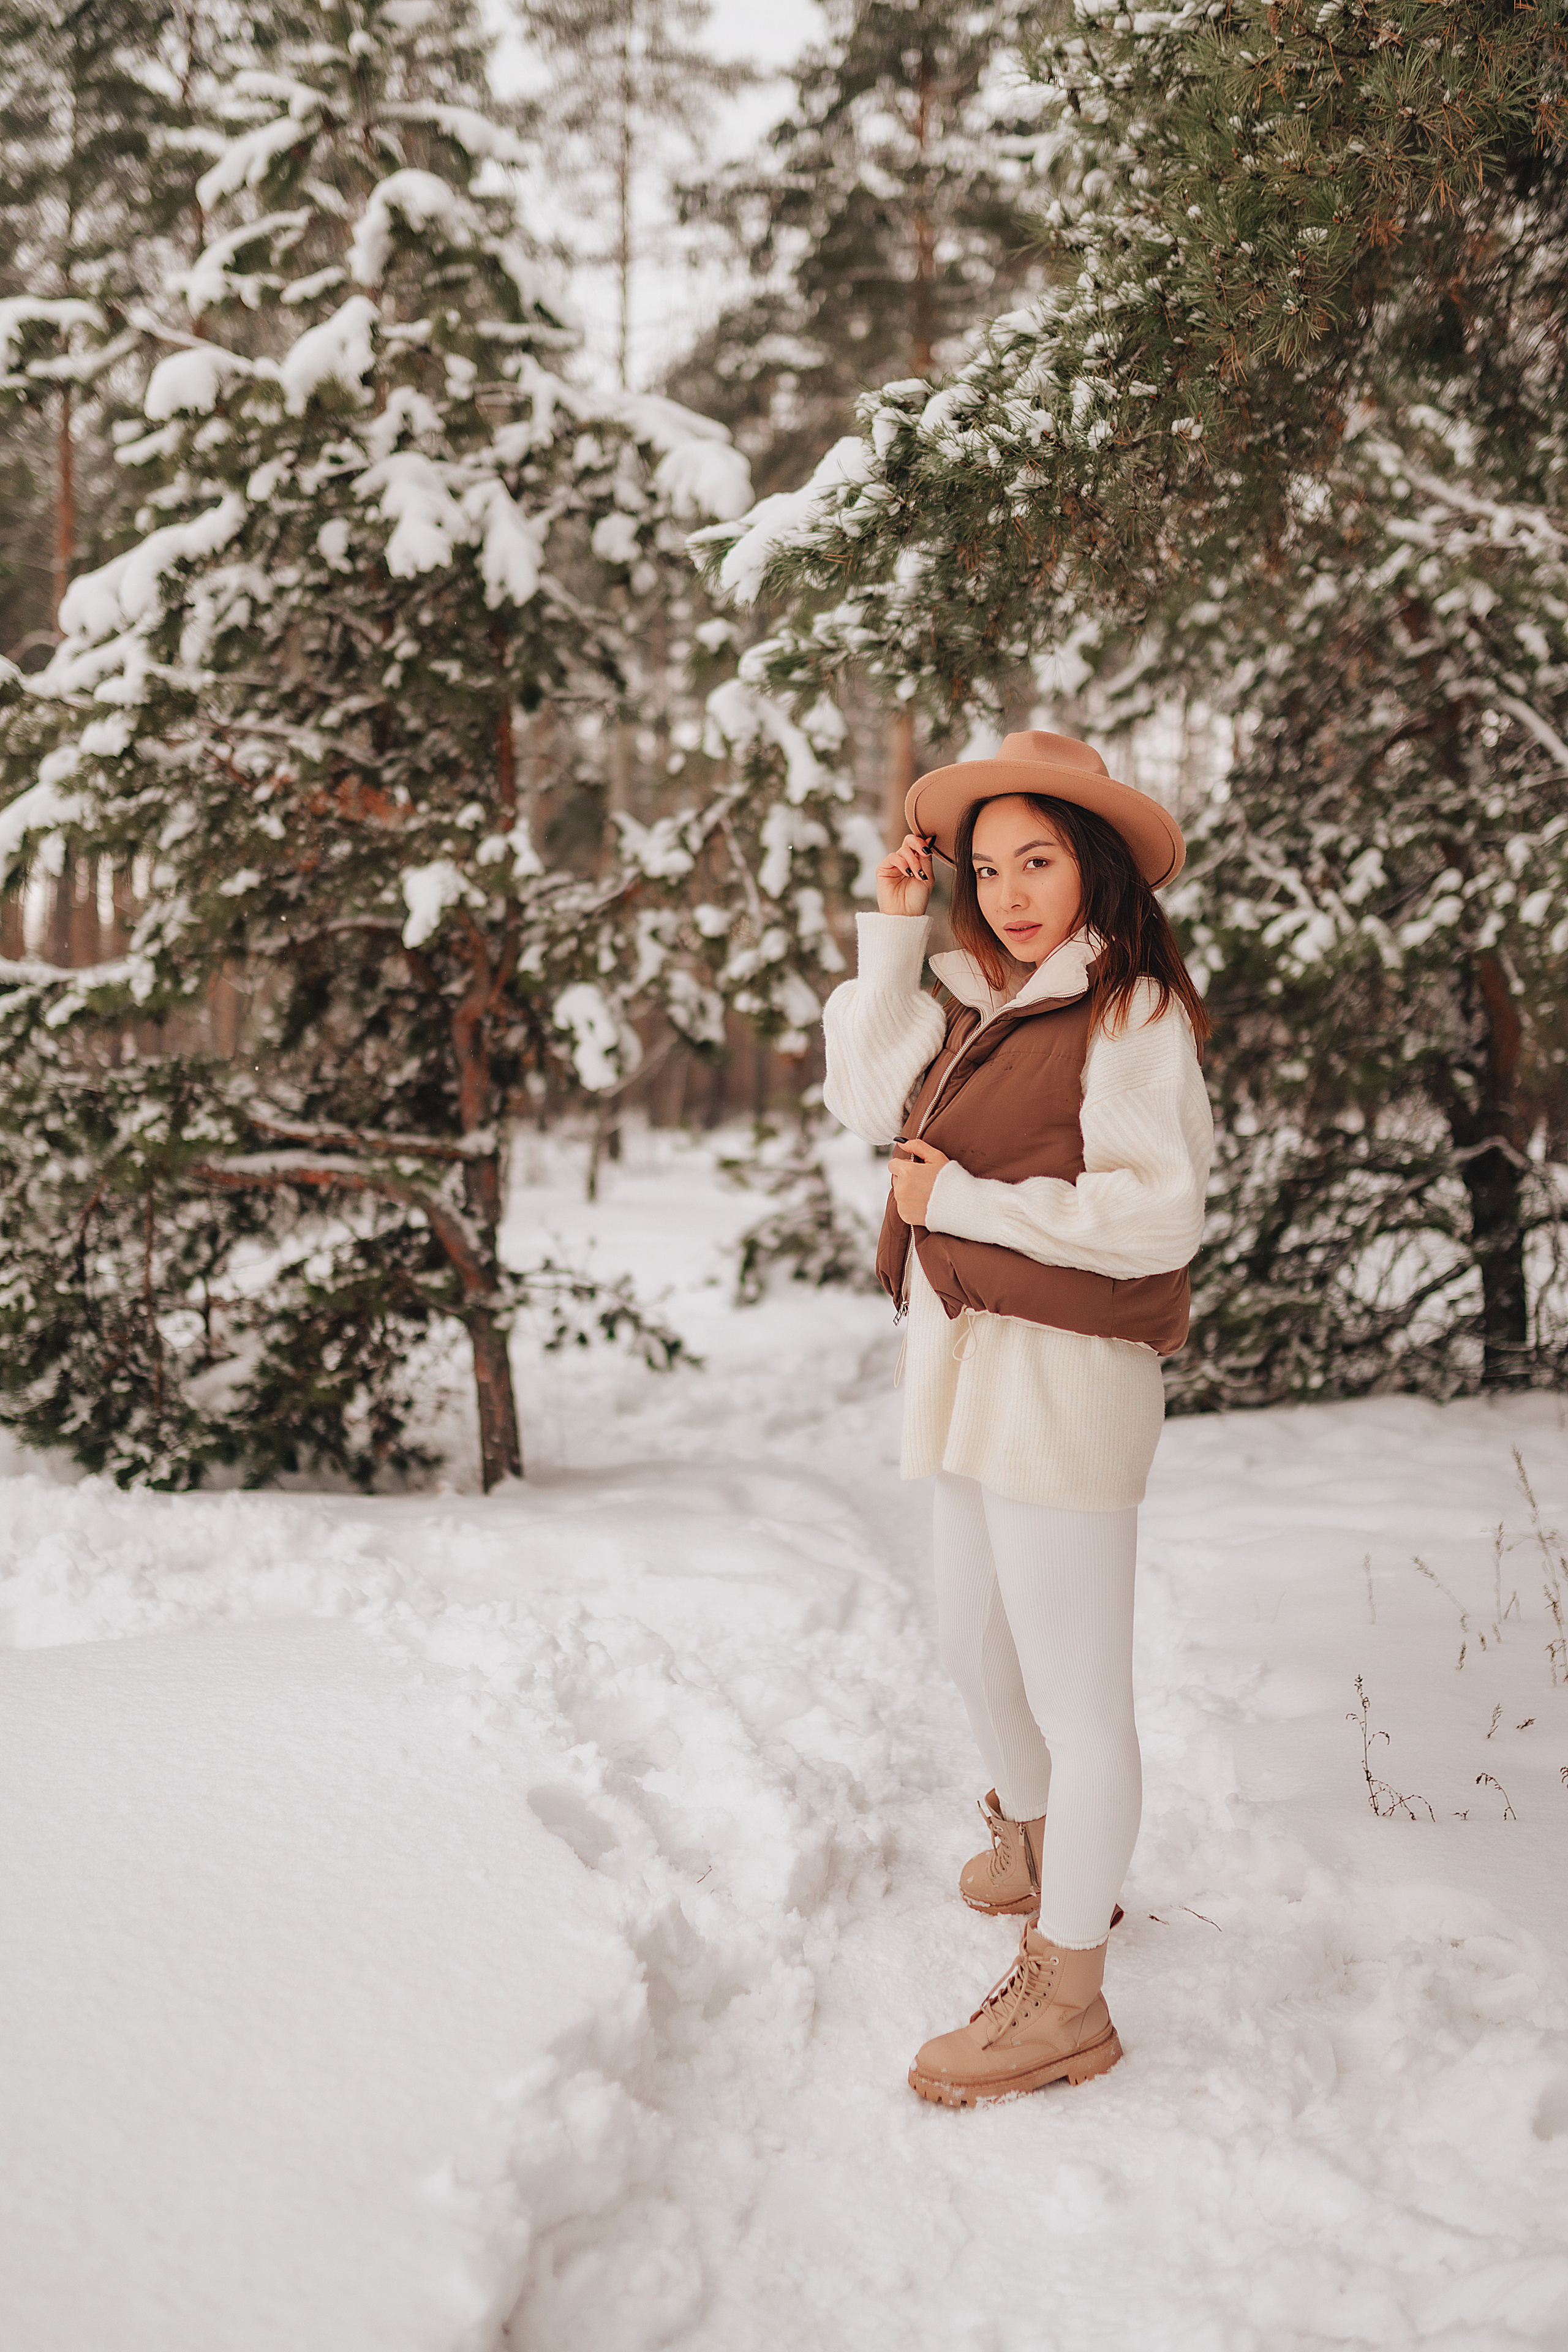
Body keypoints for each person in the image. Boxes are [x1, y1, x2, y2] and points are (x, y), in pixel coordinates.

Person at [821, 729, 1213, 2108]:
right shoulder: (984, 1002)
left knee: (1075, 1697)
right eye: (985, 869)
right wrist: (889, 927)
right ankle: (1041, 1851)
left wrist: (963, 1206)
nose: (1008, 890)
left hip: (1059, 1378)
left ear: (1093, 863)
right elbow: (868, 1099)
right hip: (967, 1367)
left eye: (1036, 859)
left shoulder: (1130, 1014)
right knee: (968, 1643)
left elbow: (1156, 1212)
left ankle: (1068, 1994)